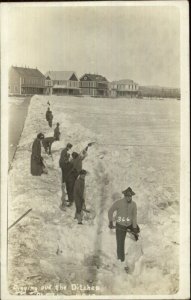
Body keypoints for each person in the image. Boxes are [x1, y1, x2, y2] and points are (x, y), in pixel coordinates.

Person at [108, 187, 139, 269]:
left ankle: (137, 252)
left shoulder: (134, 204)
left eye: (130, 196)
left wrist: (134, 228)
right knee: (120, 244)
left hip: (129, 224)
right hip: (120, 225)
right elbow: (110, 211)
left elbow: (134, 217)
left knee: (138, 231)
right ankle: (121, 261)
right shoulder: (118, 203)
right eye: (127, 196)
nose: (129, 197)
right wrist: (111, 221)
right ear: (124, 195)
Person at [59, 143, 73, 207]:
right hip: (63, 164)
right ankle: (63, 181)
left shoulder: (65, 151)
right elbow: (63, 159)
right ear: (67, 146)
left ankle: (64, 181)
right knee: (64, 173)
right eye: (69, 147)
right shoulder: (64, 151)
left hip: (63, 164)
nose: (69, 149)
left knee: (64, 173)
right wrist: (67, 158)